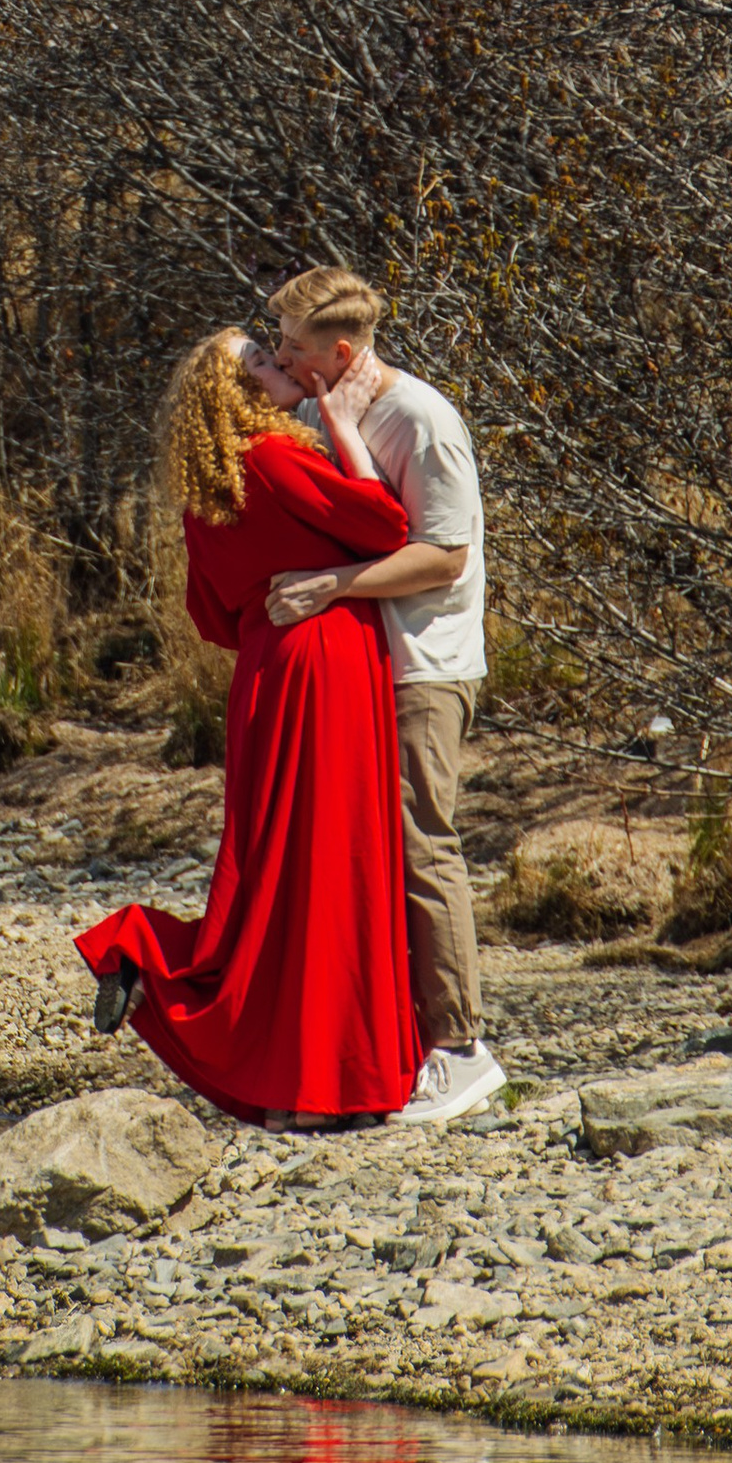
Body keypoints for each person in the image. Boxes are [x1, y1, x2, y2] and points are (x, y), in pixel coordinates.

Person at [77, 331, 421, 1127]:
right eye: (263, 364)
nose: (281, 367)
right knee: (325, 871)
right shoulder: (272, 457)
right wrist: (340, 427)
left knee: (278, 873)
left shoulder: (212, 483)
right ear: (238, 392)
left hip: (267, 669)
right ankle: (320, 1078)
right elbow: (384, 525)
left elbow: (210, 616)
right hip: (326, 665)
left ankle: (290, 1080)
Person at [260, 266, 507, 1128]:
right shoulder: (333, 410)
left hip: (426, 667)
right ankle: (393, 1050)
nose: (279, 356)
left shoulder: (423, 419)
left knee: (421, 843)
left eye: (290, 345)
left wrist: (329, 585)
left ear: (338, 350)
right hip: (370, 669)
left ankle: (462, 1051)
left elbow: (445, 556)